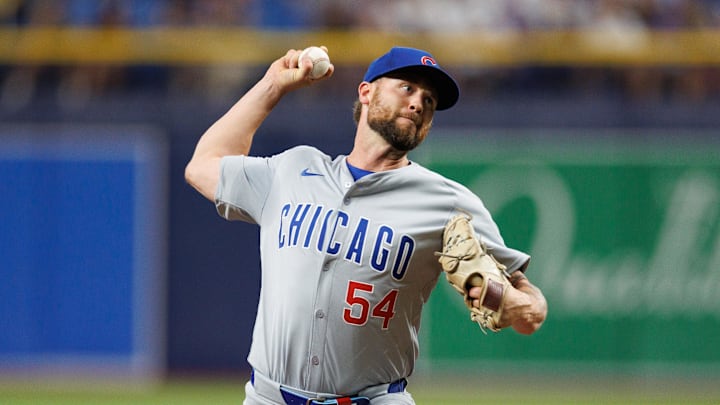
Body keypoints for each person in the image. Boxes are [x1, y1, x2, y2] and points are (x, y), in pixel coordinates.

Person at [185, 45, 547, 405]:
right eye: (407, 88)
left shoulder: (449, 202)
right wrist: (272, 85)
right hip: (269, 398)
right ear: (366, 91)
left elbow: (532, 311)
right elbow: (202, 167)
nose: (418, 103)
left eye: (430, 101)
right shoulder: (293, 169)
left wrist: (511, 302)